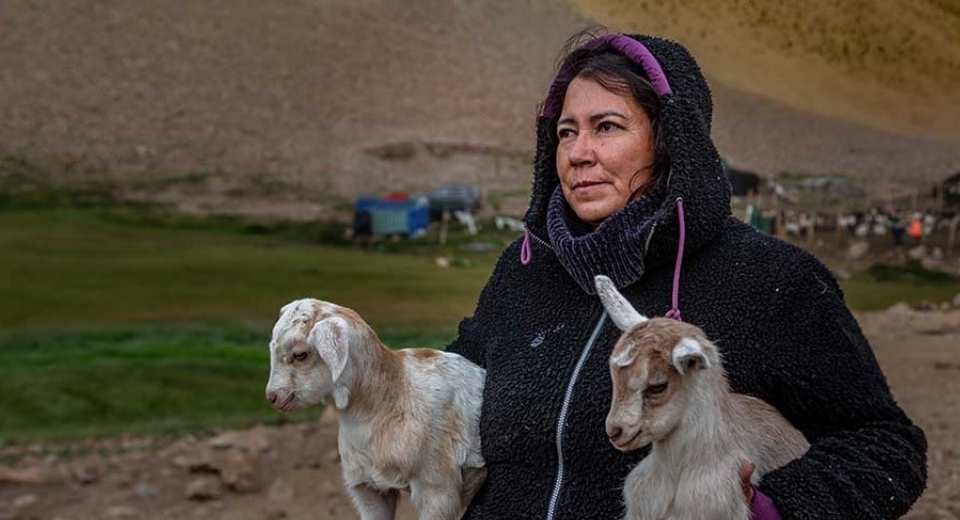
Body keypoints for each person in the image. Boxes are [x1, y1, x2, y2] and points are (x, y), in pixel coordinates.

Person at [446, 31, 927, 519]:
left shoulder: (768, 279)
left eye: (607, 126)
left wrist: (768, 509)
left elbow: (883, 445)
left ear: (670, 139)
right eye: (566, 132)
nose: (577, 153)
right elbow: (452, 400)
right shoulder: (523, 273)